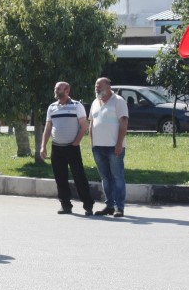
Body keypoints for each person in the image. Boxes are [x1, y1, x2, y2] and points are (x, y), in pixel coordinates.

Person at [40, 81, 95, 216]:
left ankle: (88, 205)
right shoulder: (52, 107)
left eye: (58, 88)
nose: (56, 90)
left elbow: (83, 126)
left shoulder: (77, 106)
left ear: (67, 91)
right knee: (60, 178)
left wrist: (76, 142)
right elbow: (48, 127)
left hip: (72, 147)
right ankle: (65, 205)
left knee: (79, 176)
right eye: (55, 88)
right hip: (57, 148)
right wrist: (43, 146)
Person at [89, 77, 128, 217]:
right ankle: (109, 206)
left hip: (114, 147)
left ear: (108, 86)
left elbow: (123, 123)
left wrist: (119, 144)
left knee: (117, 177)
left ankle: (119, 207)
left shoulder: (118, 101)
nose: (97, 88)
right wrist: (92, 144)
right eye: (96, 86)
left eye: (99, 85)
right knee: (105, 177)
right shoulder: (95, 102)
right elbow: (91, 124)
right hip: (98, 147)